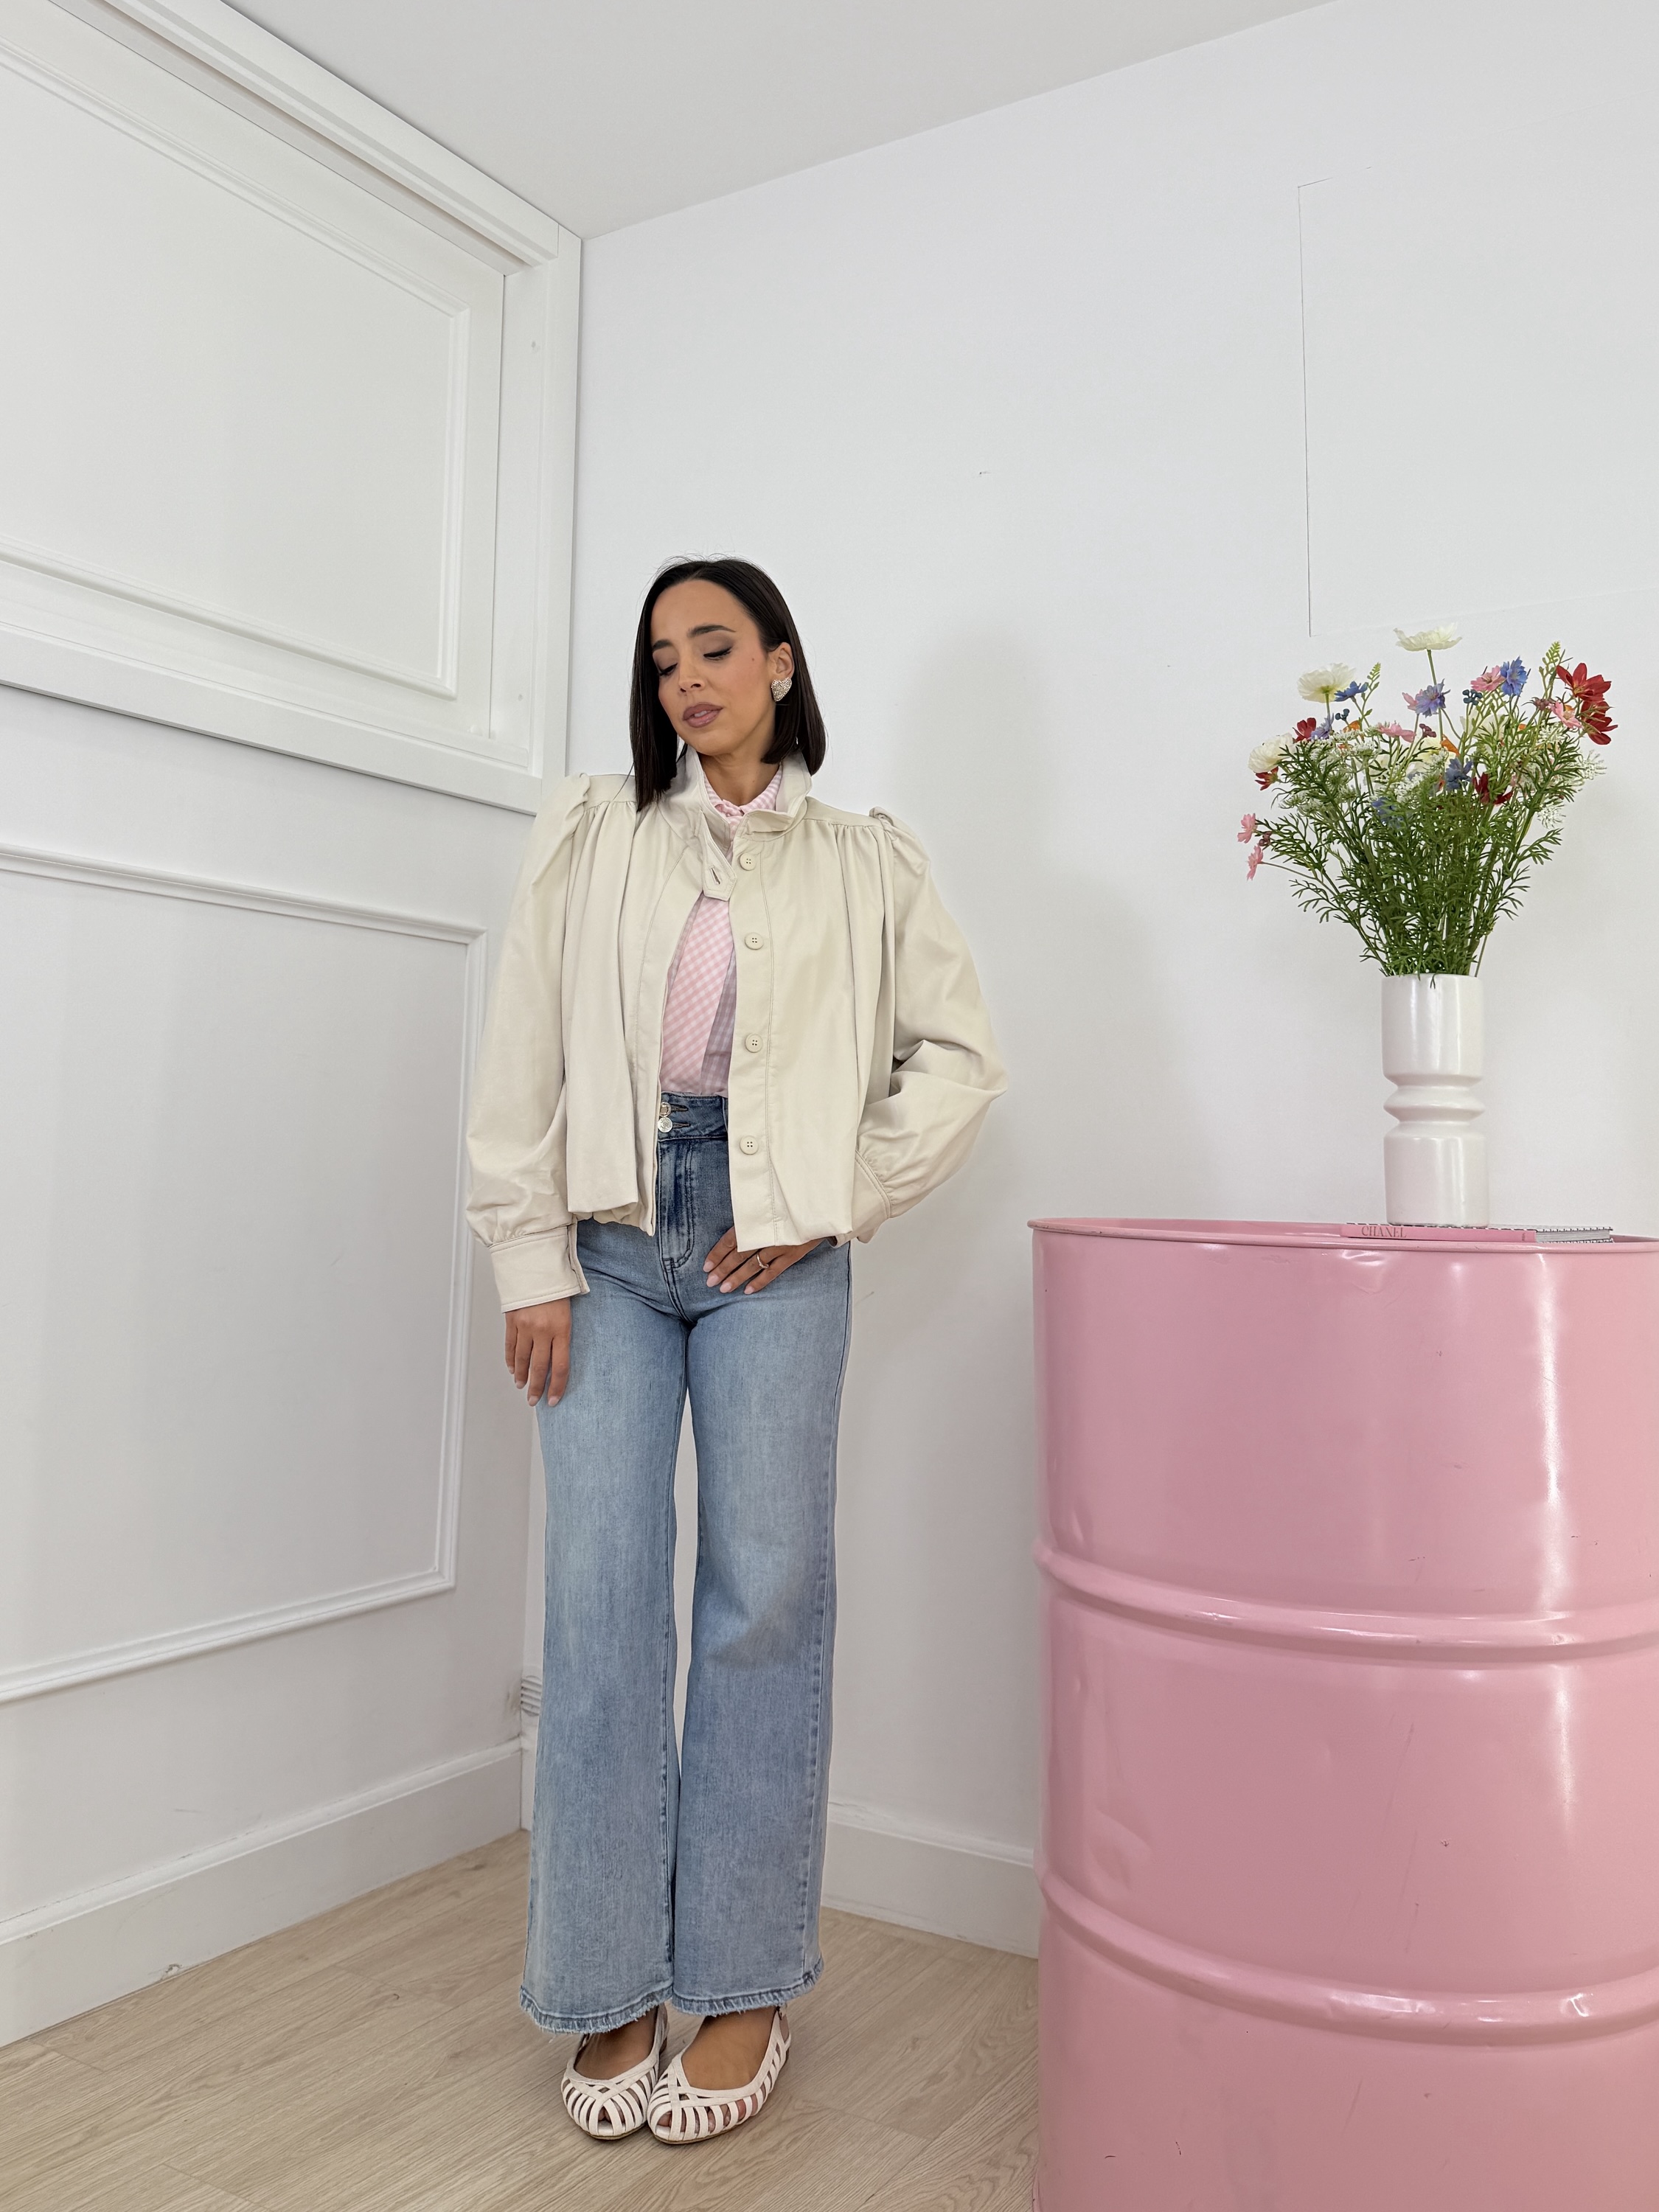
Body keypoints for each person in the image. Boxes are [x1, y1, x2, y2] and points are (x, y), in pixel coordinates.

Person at [465, 557, 1004, 2145]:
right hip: (608, 1239)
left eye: (714, 648)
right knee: (601, 1602)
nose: (685, 678)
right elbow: (522, 1051)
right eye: (662, 659)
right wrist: (528, 1260)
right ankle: (607, 1977)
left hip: (777, 1251)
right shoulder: (594, 835)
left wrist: (833, 1195)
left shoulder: (865, 860)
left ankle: (746, 1978)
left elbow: (961, 1060)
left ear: (779, 662)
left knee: (764, 1601)